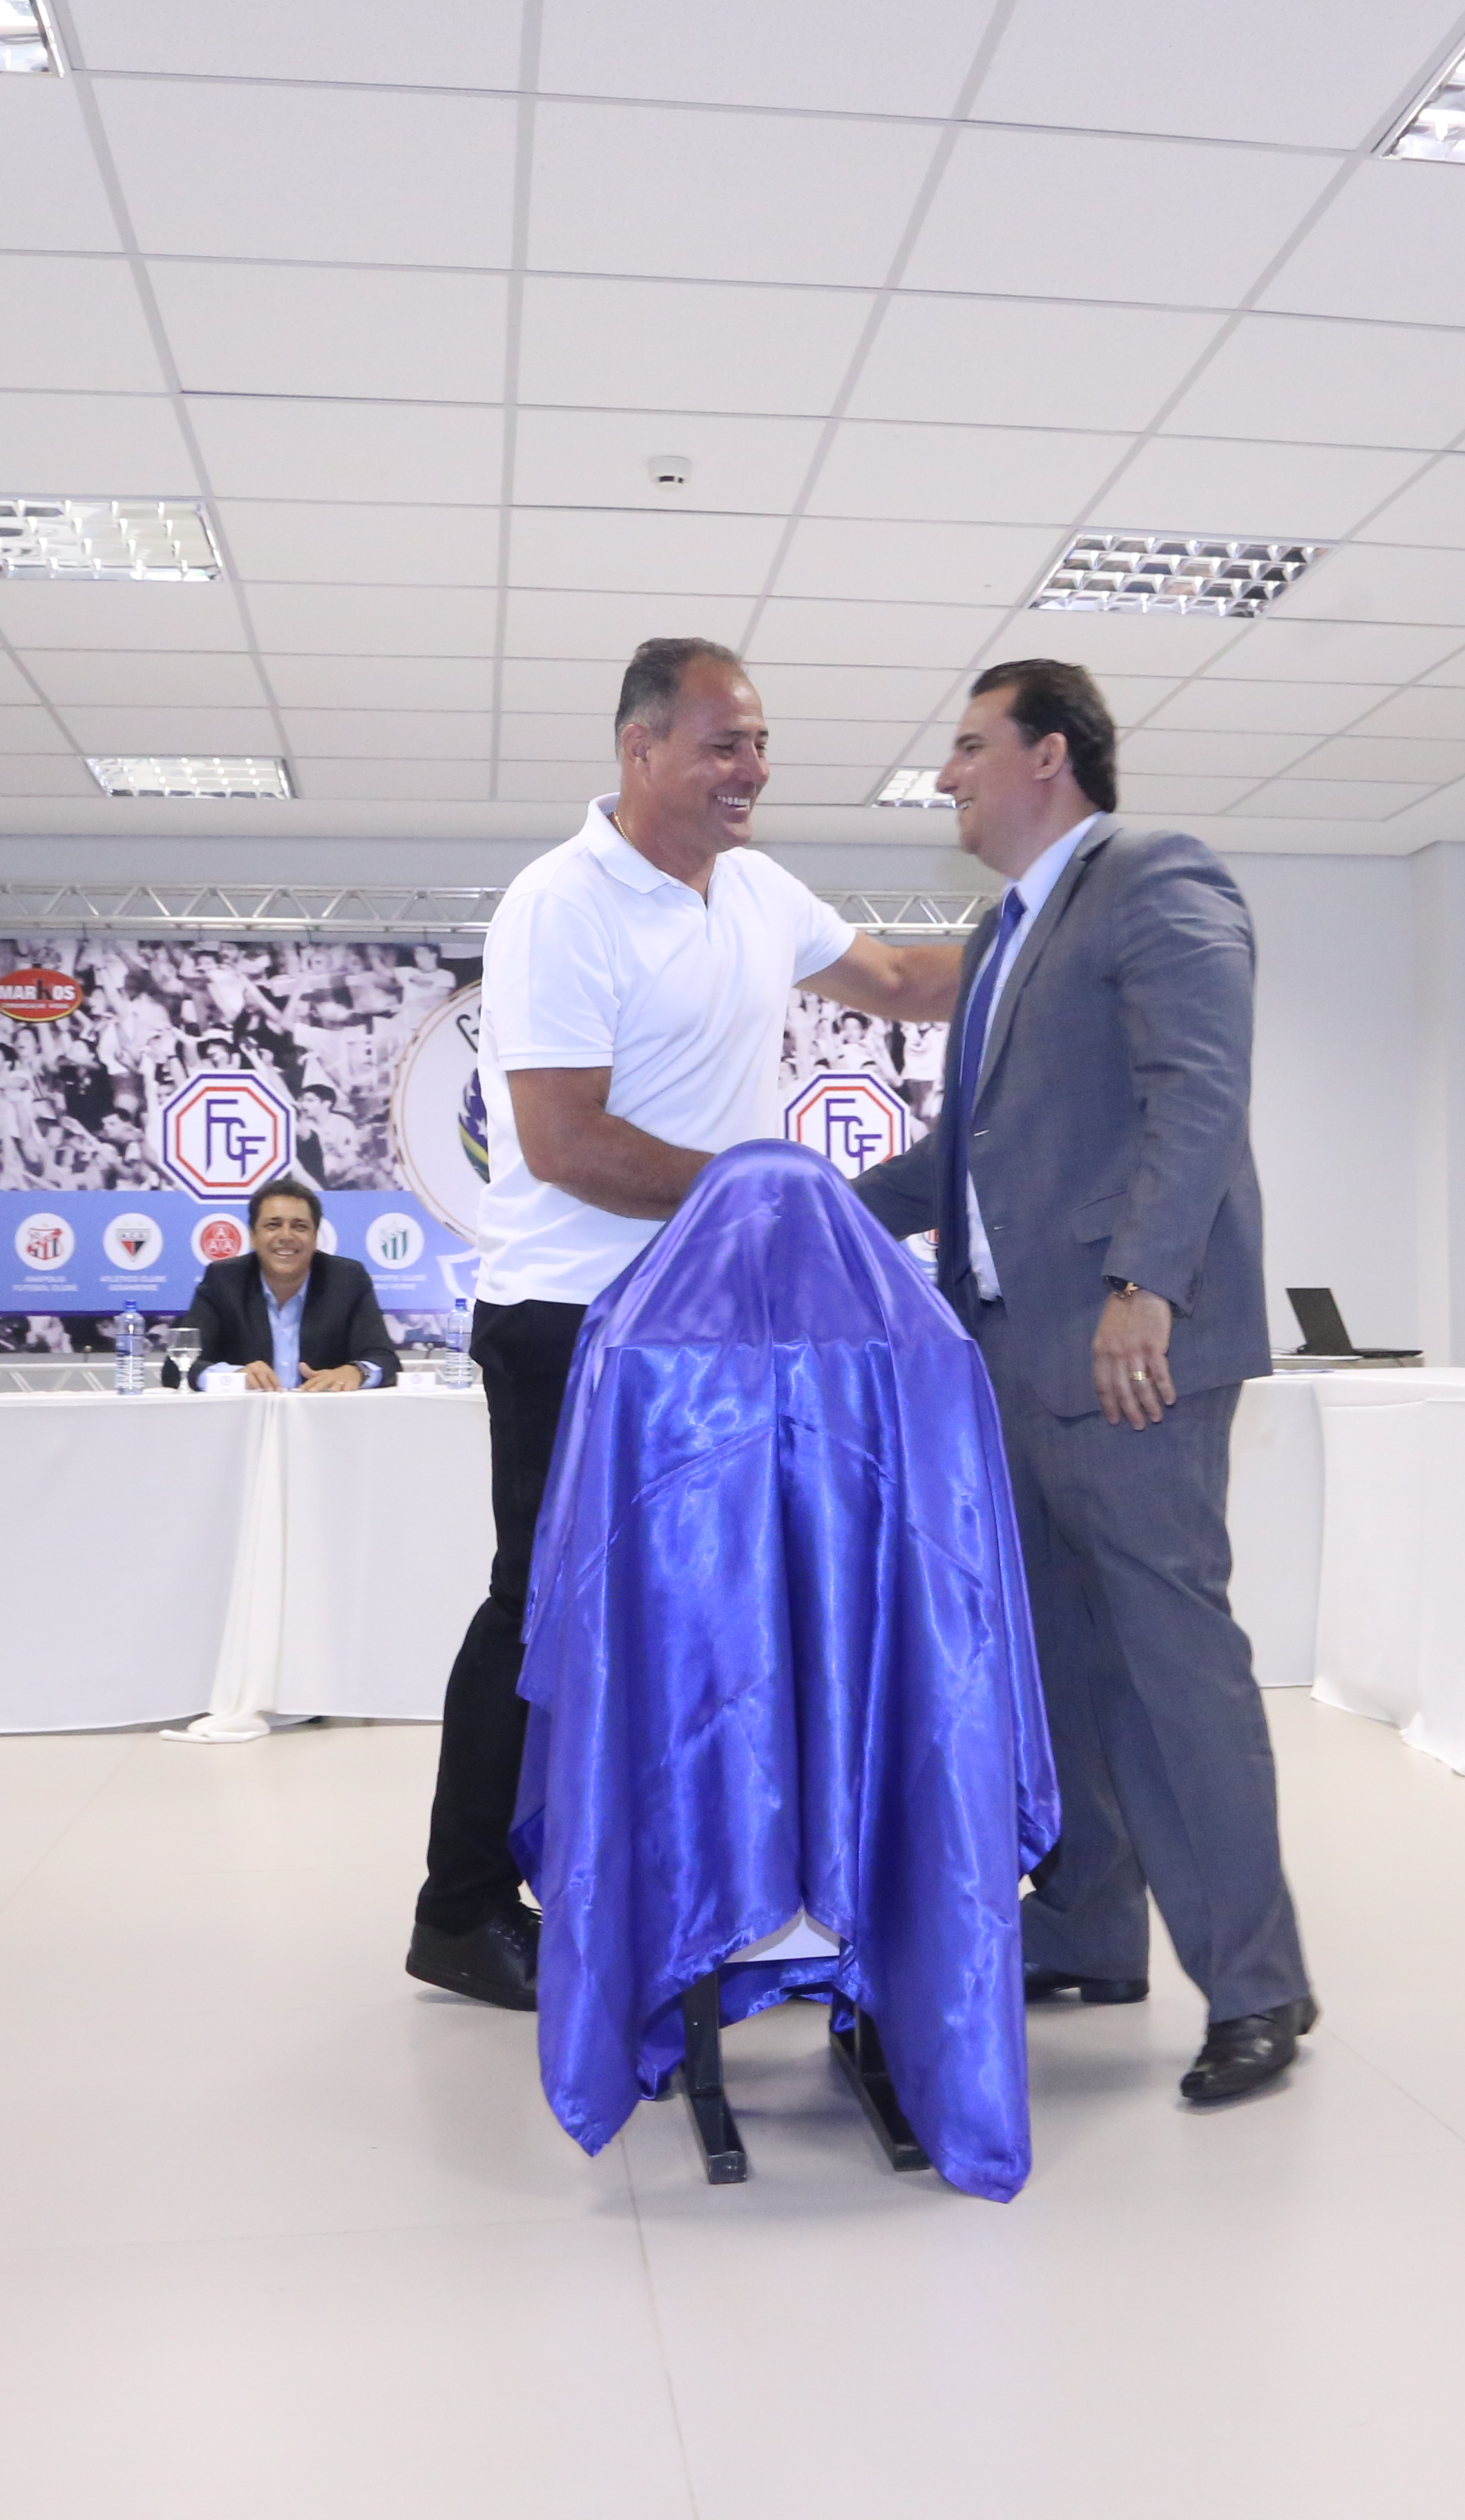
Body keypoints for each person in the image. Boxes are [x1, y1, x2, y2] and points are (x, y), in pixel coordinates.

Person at [408, 636, 960, 2013]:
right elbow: (565, 1141)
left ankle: (667, 1884)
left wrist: (1045, 945)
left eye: (760, 743)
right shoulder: (562, 902)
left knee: (700, 1610)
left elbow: (900, 982)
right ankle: (460, 1908)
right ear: (639, 748)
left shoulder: (760, 891)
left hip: (713, 1322)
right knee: (543, 1609)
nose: (751, 769)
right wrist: (763, 1191)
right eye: (724, 744)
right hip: (572, 1320)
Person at [852, 658, 1314, 2107]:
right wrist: (797, 1206)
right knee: (1057, 1669)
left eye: (968, 746)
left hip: (1129, 1357)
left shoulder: (1156, 877)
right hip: (1011, 1359)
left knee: (1172, 1672)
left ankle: (1258, 1985)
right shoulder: (1002, 932)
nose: (947, 775)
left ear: (1049, 757)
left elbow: (1199, 1091)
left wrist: (1144, 1288)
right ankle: (1092, 1930)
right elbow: (966, 1158)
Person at [180, 1179, 396, 1392]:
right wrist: (233, 1377)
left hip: (324, 1413)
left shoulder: (347, 1280)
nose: (286, 1236)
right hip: (246, 1414)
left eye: (299, 1227)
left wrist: (357, 1372)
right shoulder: (224, 1280)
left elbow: (385, 1360)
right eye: (273, 1225)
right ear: (253, 1236)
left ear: (315, 1237)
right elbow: (179, 1366)